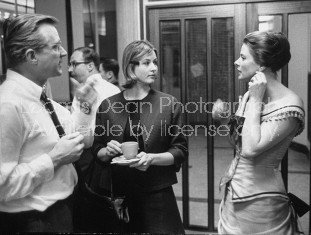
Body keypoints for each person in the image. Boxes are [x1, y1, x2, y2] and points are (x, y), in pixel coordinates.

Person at [0, 14, 97, 232]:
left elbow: (83, 141)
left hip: (61, 212)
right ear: (31, 55)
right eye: (55, 47)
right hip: (32, 222)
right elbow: (2, 187)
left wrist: (83, 107)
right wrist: (53, 160)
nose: (63, 53)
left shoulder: (43, 98)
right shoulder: (8, 104)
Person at [212, 31, 305, 234]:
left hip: (261, 200)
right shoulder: (249, 95)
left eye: (243, 57)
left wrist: (255, 100)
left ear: (262, 64)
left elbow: (251, 150)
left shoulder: (290, 105)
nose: (237, 62)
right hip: (233, 191)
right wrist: (225, 119)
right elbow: (237, 142)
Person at [91, 40, 188, 233]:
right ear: (130, 67)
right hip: (119, 195)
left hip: (157, 194)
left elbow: (180, 151)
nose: (154, 68)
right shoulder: (107, 106)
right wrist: (107, 151)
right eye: (147, 63)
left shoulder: (169, 104)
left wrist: (152, 159)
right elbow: (97, 151)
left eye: (155, 62)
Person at [68, 47, 120, 232]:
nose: (70, 69)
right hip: (104, 155)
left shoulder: (97, 92)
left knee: (93, 213)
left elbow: (84, 136)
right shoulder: (111, 89)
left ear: (90, 66)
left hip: (96, 158)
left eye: (74, 63)